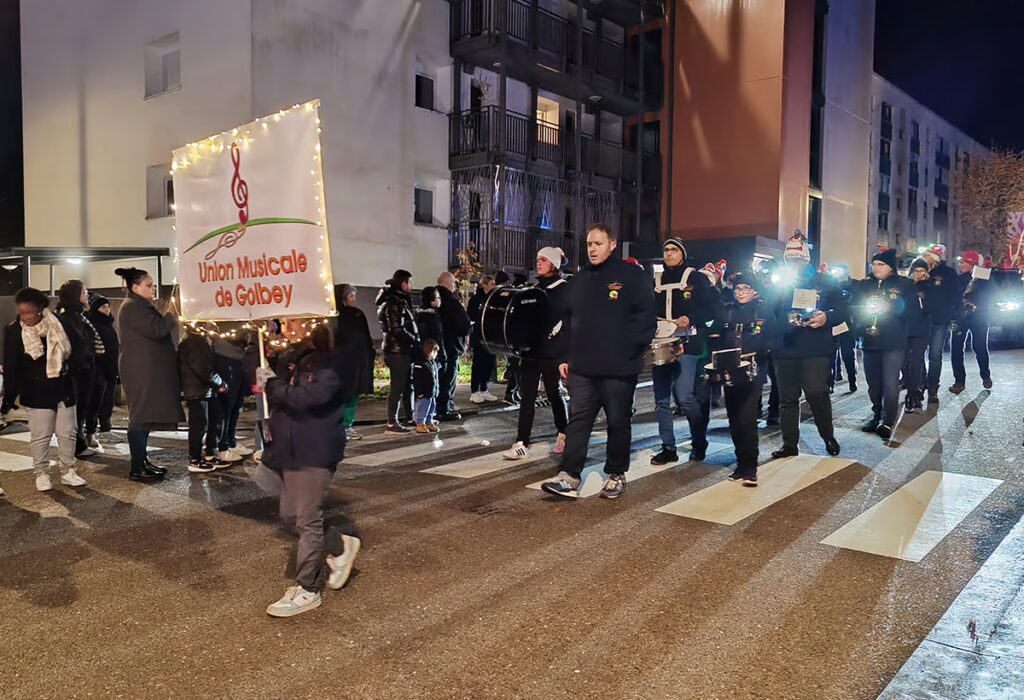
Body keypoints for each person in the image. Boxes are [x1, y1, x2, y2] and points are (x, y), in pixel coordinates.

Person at [540, 223, 656, 499]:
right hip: (583, 367)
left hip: (619, 367)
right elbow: (567, 321)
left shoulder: (631, 276)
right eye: (589, 244)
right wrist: (564, 356)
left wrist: (631, 349)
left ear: (612, 244)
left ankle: (616, 473)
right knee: (578, 420)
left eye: (598, 244)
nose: (592, 249)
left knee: (617, 421)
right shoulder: (579, 281)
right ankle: (569, 475)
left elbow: (645, 317)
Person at [255, 320, 361, 618]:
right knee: (290, 516)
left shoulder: (336, 360)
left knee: (306, 520)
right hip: (289, 448)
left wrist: (272, 384)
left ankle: (308, 589)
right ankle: (340, 546)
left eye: (295, 321)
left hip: (315, 449)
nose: (289, 326)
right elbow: (259, 373)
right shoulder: (293, 354)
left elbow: (307, 398)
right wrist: (259, 344)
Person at [2, 287, 86, 491]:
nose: (25, 317)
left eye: (29, 312)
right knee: (41, 434)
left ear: (40, 309)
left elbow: (79, 349)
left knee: (68, 432)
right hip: (35, 389)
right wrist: (9, 397)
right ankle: (41, 473)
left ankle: (68, 471)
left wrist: (73, 369)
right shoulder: (14, 331)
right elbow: (11, 365)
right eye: (22, 312)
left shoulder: (59, 324)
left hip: (63, 386)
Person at [768, 232, 841, 458]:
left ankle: (827, 435)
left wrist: (826, 317)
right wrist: (784, 323)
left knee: (816, 391)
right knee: (787, 398)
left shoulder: (825, 282)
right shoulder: (778, 283)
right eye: (790, 260)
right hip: (786, 346)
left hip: (815, 346)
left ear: (807, 260)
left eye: (798, 260)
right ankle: (790, 444)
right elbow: (768, 313)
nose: (794, 264)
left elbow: (843, 310)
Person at [650, 236, 719, 466]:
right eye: (665, 250)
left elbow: (713, 309)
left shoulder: (695, 278)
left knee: (684, 396)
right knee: (661, 400)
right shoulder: (656, 280)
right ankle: (668, 448)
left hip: (687, 344)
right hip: (661, 342)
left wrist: (691, 318)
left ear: (682, 253)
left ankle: (699, 440)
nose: (668, 253)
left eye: (673, 250)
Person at [503, 246, 571, 460]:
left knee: (554, 395)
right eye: (538, 259)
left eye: (543, 259)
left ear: (553, 264)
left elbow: (568, 322)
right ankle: (522, 441)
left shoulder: (563, 289)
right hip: (531, 353)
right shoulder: (533, 288)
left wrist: (565, 355)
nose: (538, 263)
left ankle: (564, 433)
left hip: (552, 353)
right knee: (527, 398)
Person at [115, 266, 179, 481]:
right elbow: (157, 329)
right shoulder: (133, 306)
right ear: (135, 287)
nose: (153, 289)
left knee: (144, 416)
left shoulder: (138, 305)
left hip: (144, 369)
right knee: (140, 416)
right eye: (149, 285)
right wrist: (172, 313)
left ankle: (142, 461)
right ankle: (137, 467)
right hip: (140, 370)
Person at [714, 270, 771, 485]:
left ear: (754, 291)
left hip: (753, 370)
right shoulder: (728, 311)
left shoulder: (762, 309)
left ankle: (750, 466)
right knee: (734, 418)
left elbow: (771, 337)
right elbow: (718, 338)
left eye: (746, 288)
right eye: (738, 288)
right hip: (730, 369)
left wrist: (761, 351)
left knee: (747, 418)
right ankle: (740, 462)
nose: (741, 292)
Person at [855, 249, 915, 439]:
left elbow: (910, 311)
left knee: (890, 382)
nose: (876, 268)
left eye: (881, 264)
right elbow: (854, 308)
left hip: (893, 340)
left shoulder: (904, 285)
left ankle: (888, 420)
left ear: (890, 268)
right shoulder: (865, 285)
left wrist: (891, 306)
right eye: (874, 264)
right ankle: (876, 415)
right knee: (873, 383)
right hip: (870, 339)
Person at [56, 280, 100, 458]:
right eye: (84, 292)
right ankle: (77, 446)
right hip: (77, 372)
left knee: (83, 407)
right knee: (77, 410)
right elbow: (76, 345)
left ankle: (78, 443)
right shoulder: (68, 317)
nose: (87, 296)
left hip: (84, 369)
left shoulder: (79, 316)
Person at [178, 327, 229, 472]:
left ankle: (208, 455)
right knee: (199, 426)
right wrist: (219, 382)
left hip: (204, 389)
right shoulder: (194, 343)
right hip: (197, 389)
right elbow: (202, 368)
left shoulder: (194, 342)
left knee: (212, 421)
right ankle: (195, 459)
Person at [375, 269, 420, 433]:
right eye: (409, 282)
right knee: (398, 386)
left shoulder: (399, 300)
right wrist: (414, 340)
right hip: (397, 351)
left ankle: (410, 416)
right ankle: (392, 421)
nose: (411, 286)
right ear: (404, 284)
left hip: (402, 350)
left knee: (408, 385)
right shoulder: (393, 303)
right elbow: (396, 329)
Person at [333, 284, 374, 440]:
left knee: (352, 395)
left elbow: (365, 337)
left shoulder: (357, 314)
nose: (354, 300)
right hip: (341, 362)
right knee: (341, 395)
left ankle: (347, 425)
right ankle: (339, 426)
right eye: (351, 296)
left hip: (357, 362)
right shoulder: (335, 317)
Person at [949, 250, 993, 394]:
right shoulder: (958, 279)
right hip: (960, 317)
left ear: (972, 264)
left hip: (978, 317)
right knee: (956, 349)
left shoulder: (984, 278)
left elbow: (990, 294)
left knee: (979, 347)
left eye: (963, 262)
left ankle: (985, 375)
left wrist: (975, 303)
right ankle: (959, 381)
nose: (960, 265)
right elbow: (953, 297)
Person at [921, 244, 958, 403]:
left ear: (935, 258)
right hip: (921, 319)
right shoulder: (921, 270)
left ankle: (933, 388)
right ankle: (919, 384)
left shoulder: (948, 273)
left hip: (939, 321)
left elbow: (953, 296)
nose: (925, 258)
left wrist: (953, 315)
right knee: (917, 355)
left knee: (935, 355)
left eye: (928, 255)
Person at [435, 271, 471, 421]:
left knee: (437, 378)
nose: (455, 286)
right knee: (448, 380)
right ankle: (445, 409)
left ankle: (435, 407)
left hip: (434, 347)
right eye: (454, 283)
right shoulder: (452, 303)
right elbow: (463, 326)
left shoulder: (433, 300)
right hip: (450, 346)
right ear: (449, 284)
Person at [209, 334, 248, 463]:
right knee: (227, 406)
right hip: (225, 358)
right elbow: (232, 335)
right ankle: (222, 446)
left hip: (239, 359)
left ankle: (231, 441)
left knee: (236, 404)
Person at [85, 296, 119, 445]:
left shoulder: (108, 324)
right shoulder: (93, 324)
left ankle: (106, 429)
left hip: (110, 370)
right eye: (103, 307)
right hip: (98, 370)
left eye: (108, 306)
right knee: (95, 401)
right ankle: (90, 432)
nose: (107, 309)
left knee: (108, 401)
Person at [904, 258, 935, 413]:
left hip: (922, 330)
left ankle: (913, 395)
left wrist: (926, 303)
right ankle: (919, 384)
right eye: (916, 271)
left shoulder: (929, 287)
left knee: (916, 362)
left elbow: (934, 307)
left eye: (923, 271)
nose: (919, 274)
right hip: (905, 329)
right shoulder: (906, 286)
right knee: (905, 362)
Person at [467, 275, 499, 403]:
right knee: (478, 363)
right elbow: (471, 315)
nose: (493, 286)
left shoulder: (493, 298)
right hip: (479, 335)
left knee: (489, 363)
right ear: (484, 285)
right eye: (491, 284)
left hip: (490, 336)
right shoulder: (476, 299)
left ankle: (484, 389)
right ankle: (475, 390)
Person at [829, 264, 858, 393]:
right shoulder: (831, 286)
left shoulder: (855, 285)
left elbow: (857, 301)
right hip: (833, 322)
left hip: (847, 323)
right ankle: (830, 382)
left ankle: (852, 381)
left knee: (848, 354)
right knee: (830, 354)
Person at [413, 338, 441, 434]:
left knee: (432, 407)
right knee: (423, 407)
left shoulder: (432, 363)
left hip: (431, 392)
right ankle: (420, 423)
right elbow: (417, 380)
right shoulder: (420, 364)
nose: (436, 354)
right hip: (424, 393)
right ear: (430, 351)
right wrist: (419, 392)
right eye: (435, 351)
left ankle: (429, 421)